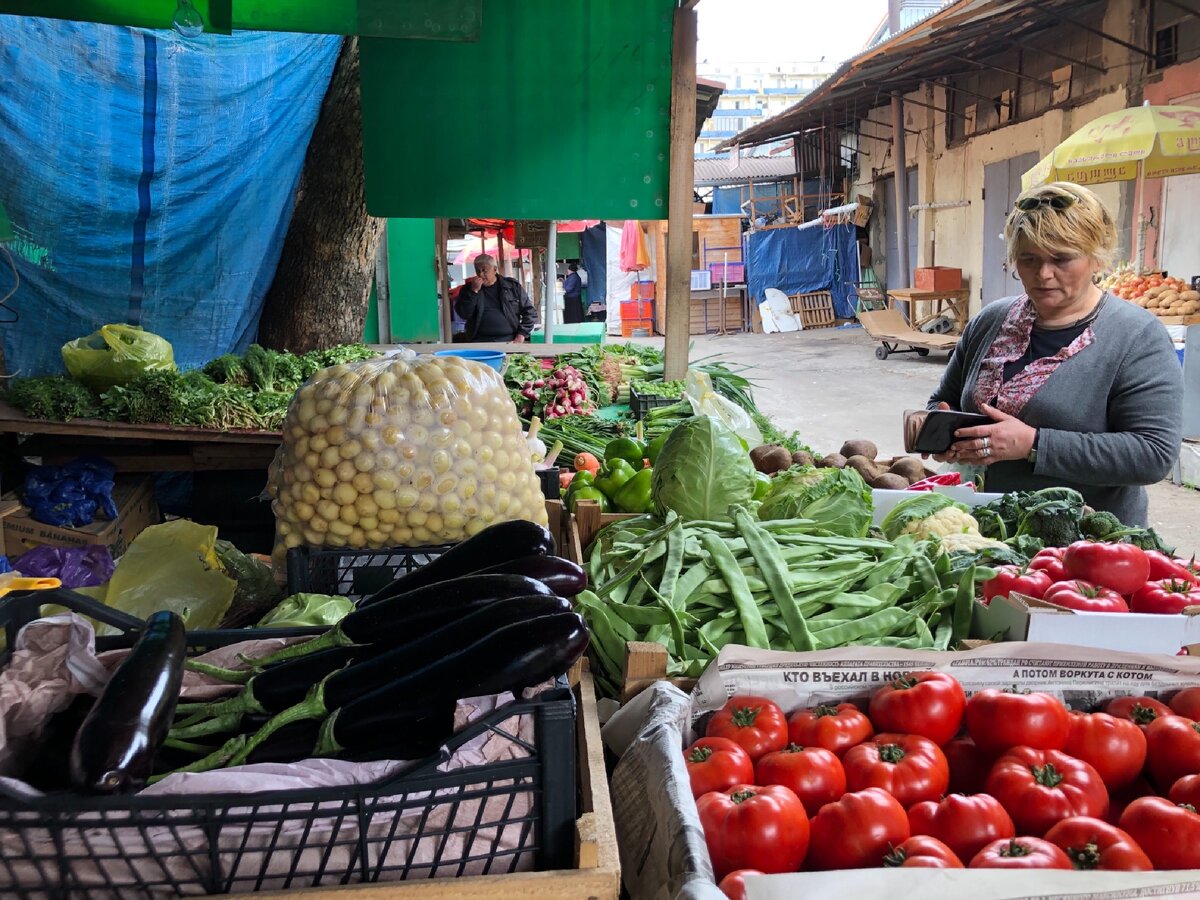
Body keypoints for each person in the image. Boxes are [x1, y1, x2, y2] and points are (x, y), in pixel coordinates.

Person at [927, 181, 1182, 526]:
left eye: (1061, 258)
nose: (1043, 274)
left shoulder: (1137, 336)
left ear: (1096, 257)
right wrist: (940, 430)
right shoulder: (991, 320)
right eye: (1029, 259)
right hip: (980, 527)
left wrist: (1034, 444)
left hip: (1086, 543)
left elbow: (1153, 453)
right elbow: (944, 400)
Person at [454, 253, 536, 342]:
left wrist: (522, 334)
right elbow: (464, 314)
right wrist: (474, 292)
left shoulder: (512, 287)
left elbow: (530, 312)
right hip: (478, 340)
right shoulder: (468, 289)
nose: (481, 274)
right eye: (478, 271)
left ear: (494, 269)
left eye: (484, 270)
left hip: (509, 339)